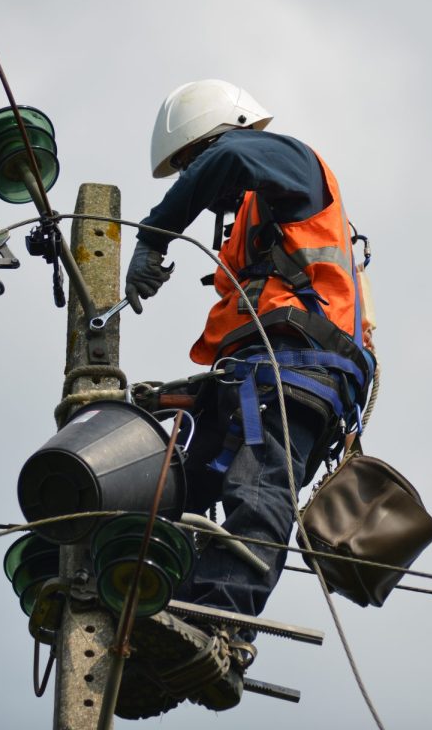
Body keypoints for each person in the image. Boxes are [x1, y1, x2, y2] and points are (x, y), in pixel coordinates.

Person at [117, 79, 374, 717]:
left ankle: (219, 624)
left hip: (296, 375)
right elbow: (255, 332)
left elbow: (227, 162)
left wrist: (154, 234)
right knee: (174, 489)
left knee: (257, 493)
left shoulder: (288, 162)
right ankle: (158, 622)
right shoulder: (259, 220)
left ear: (222, 134)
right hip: (260, 375)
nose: (198, 181)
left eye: (191, 161)